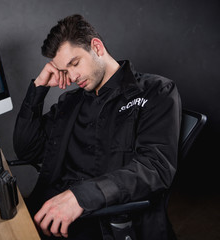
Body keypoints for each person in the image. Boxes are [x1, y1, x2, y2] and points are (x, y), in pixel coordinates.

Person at [13, 14, 181, 240]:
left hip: (103, 221)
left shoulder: (156, 91)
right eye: (64, 71)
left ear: (97, 47)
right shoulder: (70, 103)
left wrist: (80, 197)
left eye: (74, 63)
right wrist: (38, 88)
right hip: (48, 211)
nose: (71, 77)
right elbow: (27, 149)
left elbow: (155, 167)